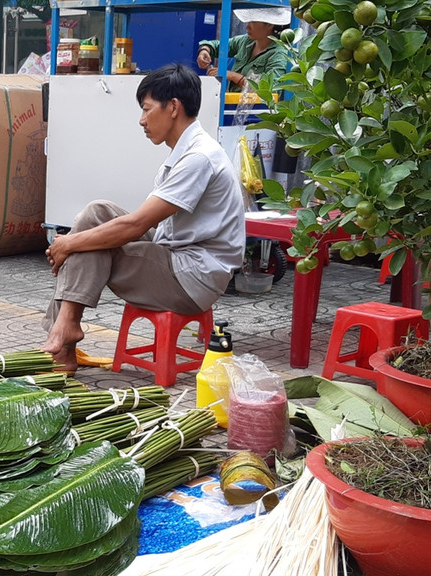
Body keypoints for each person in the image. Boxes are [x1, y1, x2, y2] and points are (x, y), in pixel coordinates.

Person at [40, 64, 245, 374]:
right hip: (174, 255)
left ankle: (64, 336)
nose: (142, 120)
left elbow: (136, 225)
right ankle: (66, 329)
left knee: (93, 244)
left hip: (191, 278)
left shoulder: (198, 158)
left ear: (173, 107)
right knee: (97, 212)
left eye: (147, 110)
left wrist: (68, 243)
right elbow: (143, 224)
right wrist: (72, 242)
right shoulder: (186, 151)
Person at [196, 8, 291, 92]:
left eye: (252, 22)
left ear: (270, 24)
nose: (247, 27)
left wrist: (233, 76)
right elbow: (218, 46)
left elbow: (273, 89)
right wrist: (204, 50)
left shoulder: (279, 54)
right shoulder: (245, 41)